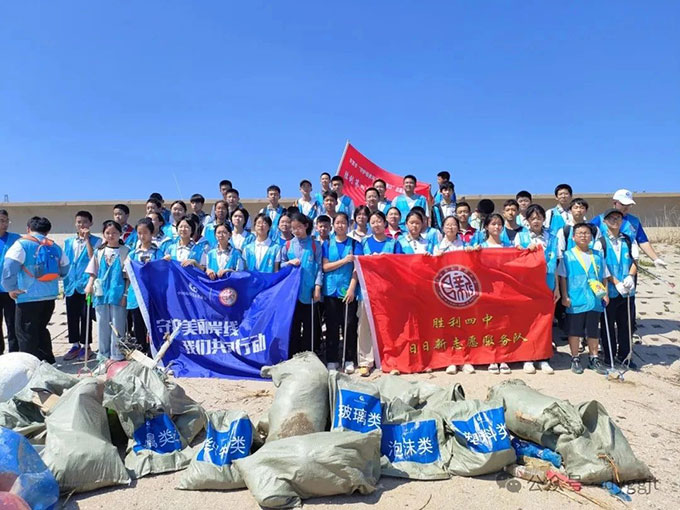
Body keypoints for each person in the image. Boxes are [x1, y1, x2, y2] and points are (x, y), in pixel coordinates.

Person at [2, 216, 69, 363]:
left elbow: (8, 268)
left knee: (25, 333)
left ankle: (30, 365)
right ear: (47, 231)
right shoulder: (54, 246)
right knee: (41, 328)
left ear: (28, 228)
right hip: (50, 296)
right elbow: (65, 268)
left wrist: (11, 288)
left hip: (27, 296)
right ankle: (48, 361)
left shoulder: (22, 244)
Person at [354, 211, 402, 376]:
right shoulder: (363, 243)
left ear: (385, 223)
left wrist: (385, 259)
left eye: (379, 221)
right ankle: (365, 362)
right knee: (364, 327)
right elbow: (358, 263)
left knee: (388, 326)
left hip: (387, 292)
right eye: (373, 222)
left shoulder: (393, 243)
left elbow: (400, 264)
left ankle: (390, 359)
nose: (376, 224)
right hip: (366, 291)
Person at [558, 223, 609, 375]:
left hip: (594, 299)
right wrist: (564, 296)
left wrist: (605, 293)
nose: (583, 236)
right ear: (573, 237)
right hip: (576, 298)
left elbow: (604, 276)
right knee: (574, 330)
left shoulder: (597, 255)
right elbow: (563, 277)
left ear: (591, 237)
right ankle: (575, 358)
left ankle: (594, 358)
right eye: (580, 233)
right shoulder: (567, 255)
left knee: (593, 331)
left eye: (586, 233)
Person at [515, 204, 559, 374]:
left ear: (544, 219)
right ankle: (527, 357)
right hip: (527, 285)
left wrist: (557, 288)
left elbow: (556, 264)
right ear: (527, 220)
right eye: (532, 218)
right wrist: (525, 250)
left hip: (548, 283)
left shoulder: (552, 238)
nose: (536, 221)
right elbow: (516, 258)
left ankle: (543, 357)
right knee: (528, 321)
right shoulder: (521, 237)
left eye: (539, 217)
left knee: (545, 321)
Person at [593, 209, 638, 368]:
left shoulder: (628, 240)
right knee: (608, 325)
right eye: (611, 218)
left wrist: (630, 276)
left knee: (626, 325)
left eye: (618, 218)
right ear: (605, 222)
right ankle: (609, 356)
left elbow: (635, 261)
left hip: (627, 291)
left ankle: (625, 356)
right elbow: (601, 267)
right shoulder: (600, 242)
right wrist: (616, 282)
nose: (615, 221)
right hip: (609, 291)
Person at [84, 220, 130, 366]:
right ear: (103, 234)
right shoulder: (99, 252)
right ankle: (103, 356)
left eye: (114, 233)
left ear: (120, 234)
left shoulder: (125, 251)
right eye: (108, 233)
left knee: (118, 325)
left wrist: (125, 294)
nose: (111, 236)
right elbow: (93, 272)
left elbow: (128, 277)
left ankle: (117, 355)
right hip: (101, 293)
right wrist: (89, 285)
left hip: (118, 293)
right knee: (102, 325)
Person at [591, 189, 667, 269]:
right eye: (623, 204)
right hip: (604, 265)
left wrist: (655, 259)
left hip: (627, 266)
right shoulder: (600, 219)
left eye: (629, 204)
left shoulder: (634, 221)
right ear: (615, 203)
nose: (626, 207)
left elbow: (642, 241)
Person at [281, 213, 323, 356]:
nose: (296, 231)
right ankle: (293, 355)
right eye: (293, 228)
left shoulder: (315, 245)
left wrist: (317, 287)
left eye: (299, 227)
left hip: (309, 292)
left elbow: (319, 268)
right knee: (293, 326)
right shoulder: (287, 245)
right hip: (292, 294)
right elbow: (280, 266)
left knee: (310, 326)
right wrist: (288, 263)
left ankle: (309, 355)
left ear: (306, 226)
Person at [322, 213, 359, 373]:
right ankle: (332, 359)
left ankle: (349, 358)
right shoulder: (327, 243)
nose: (340, 225)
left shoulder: (354, 243)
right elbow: (325, 267)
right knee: (332, 325)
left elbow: (357, 269)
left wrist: (352, 288)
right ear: (333, 225)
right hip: (331, 290)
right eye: (337, 223)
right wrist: (344, 261)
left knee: (349, 325)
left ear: (348, 225)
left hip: (348, 290)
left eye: (343, 223)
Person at [63, 211, 100, 361]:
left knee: (86, 316)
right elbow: (65, 261)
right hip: (71, 284)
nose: (81, 225)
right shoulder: (68, 242)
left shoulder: (97, 241)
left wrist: (87, 240)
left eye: (84, 222)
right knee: (72, 316)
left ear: (90, 223)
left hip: (86, 285)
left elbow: (93, 259)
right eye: (79, 222)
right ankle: (75, 345)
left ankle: (86, 346)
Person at [126, 218, 163, 354]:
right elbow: (128, 274)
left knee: (152, 325)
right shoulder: (132, 254)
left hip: (153, 295)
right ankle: (142, 351)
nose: (142, 236)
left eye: (145, 233)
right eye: (139, 233)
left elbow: (161, 272)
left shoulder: (158, 253)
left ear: (152, 233)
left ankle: (154, 352)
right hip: (136, 295)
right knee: (138, 325)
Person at [0, 210, 21, 354]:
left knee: (12, 322)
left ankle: (14, 353)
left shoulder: (16, 239)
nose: (4, 224)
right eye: (1, 220)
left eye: (6, 220)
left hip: (11, 289)